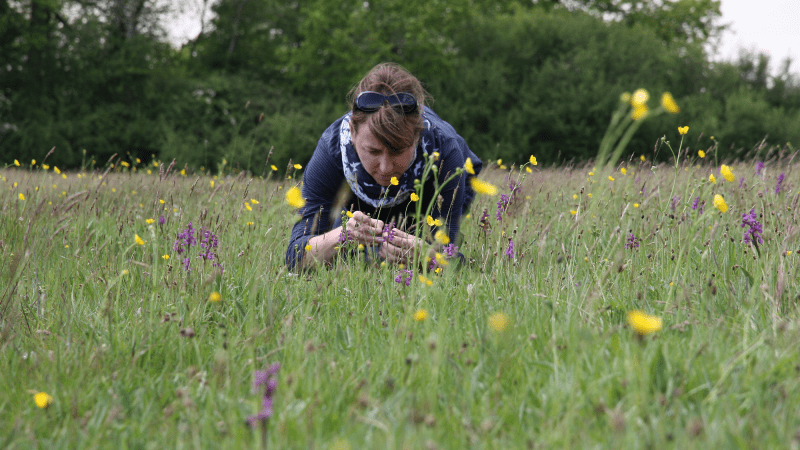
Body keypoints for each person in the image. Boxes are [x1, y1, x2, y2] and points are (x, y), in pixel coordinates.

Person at [286, 62, 483, 270]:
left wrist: (427, 256)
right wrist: (342, 235)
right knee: (350, 255)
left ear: (417, 136)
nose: (386, 167)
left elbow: (450, 262)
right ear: (352, 131)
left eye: (398, 151)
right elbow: (295, 258)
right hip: (357, 195)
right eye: (373, 151)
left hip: (426, 189)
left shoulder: (445, 151)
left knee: (415, 254)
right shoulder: (332, 149)